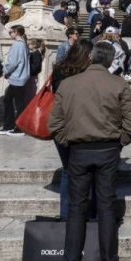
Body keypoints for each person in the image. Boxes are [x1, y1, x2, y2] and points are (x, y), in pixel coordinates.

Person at [47, 41, 131, 261]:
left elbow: (54, 123)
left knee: (77, 209)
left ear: (91, 58)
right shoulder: (120, 84)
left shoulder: (68, 84)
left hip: (78, 151)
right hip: (109, 150)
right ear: (110, 62)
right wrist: (119, 143)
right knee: (107, 206)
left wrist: (69, 142)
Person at [50, 40, 94, 220]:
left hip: (61, 126)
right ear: (87, 55)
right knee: (86, 171)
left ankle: (66, 215)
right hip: (81, 126)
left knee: (68, 170)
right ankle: (87, 214)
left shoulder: (60, 69)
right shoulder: (88, 73)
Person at [0, 25, 30, 136]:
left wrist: (5, 70)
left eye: (11, 32)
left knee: (17, 103)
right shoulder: (24, 44)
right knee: (9, 100)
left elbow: (13, 62)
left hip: (17, 78)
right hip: (20, 78)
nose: (10, 34)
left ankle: (18, 127)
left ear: (16, 32)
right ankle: (9, 125)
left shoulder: (17, 45)